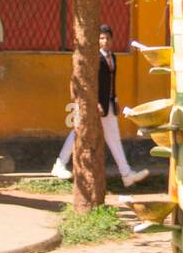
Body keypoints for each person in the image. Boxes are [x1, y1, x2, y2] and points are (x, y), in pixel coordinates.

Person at [52, 24, 149, 186]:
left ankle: (126, 174)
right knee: (77, 131)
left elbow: (111, 82)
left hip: (108, 104)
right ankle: (60, 163)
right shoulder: (94, 58)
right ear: (97, 41)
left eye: (108, 38)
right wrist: (94, 102)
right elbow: (90, 82)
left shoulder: (113, 57)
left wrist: (115, 100)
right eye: (102, 38)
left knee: (114, 139)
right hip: (93, 104)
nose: (105, 41)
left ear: (112, 40)